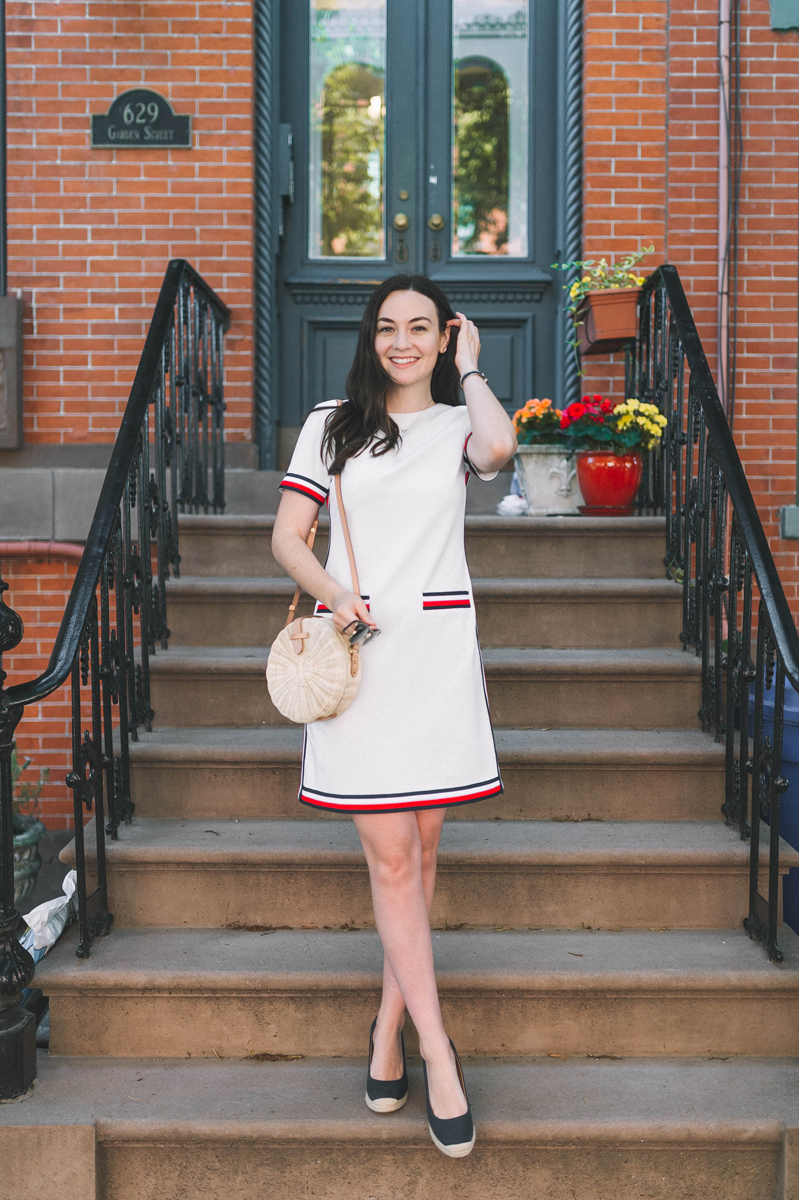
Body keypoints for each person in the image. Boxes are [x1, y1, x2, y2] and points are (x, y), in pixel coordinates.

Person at [271, 273, 517, 1158]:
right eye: (388, 327)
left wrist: (474, 366)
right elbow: (284, 537)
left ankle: (384, 1031)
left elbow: (499, 449)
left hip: (440, 660)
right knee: (390, 859)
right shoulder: (331, 423)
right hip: (366, 658)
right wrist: (335, 596)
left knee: (420, 854)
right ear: (369, 336)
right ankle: (436, 1052)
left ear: (442, 336)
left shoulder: (457, 424)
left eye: (421, 328)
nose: (402, 342)